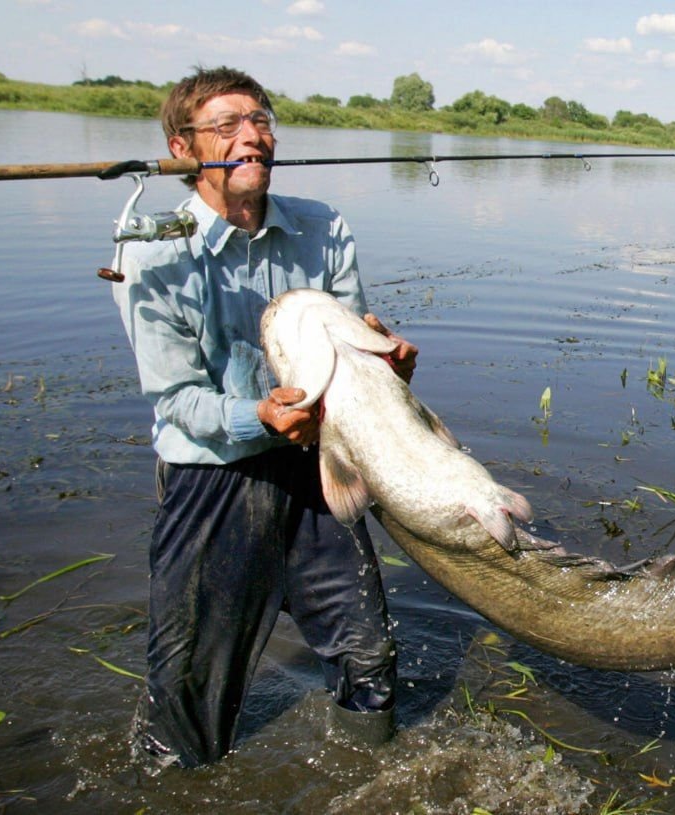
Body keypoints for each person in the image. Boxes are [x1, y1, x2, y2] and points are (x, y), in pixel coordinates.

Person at [111, 65, 418, 768]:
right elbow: (178, 400)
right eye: (226, 125)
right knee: (187, 698)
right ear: (182, 149)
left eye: (261, 121)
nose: (252, 136)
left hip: (317, 469)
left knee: (369, 660)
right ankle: (169, 788)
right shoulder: (148, 251)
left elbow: (353, 337)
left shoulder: (323, 226)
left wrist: (385, 365)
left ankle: (368, 769)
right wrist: (259, 415)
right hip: (212, 482)